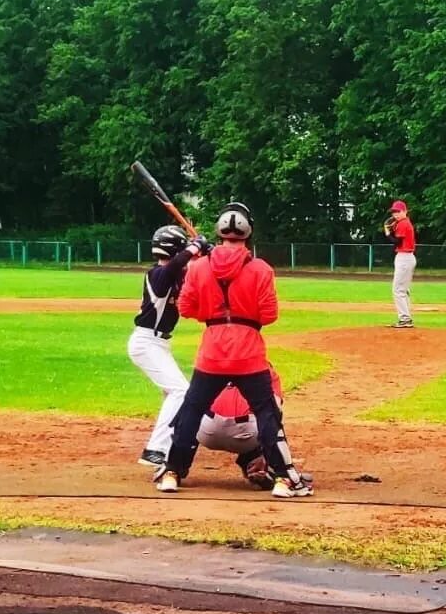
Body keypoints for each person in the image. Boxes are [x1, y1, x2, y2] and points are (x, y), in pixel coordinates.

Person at [159, 201, 312, 499]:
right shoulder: (261, 269)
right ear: (248, 233)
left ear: (218, 232)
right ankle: (283, 478)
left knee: (191, 411)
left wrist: (212, 303)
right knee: (267, 413)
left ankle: (172, 472)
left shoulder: (199, 267)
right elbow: (269, 315)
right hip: (249, 352)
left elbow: (187, 308)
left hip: (213, 350)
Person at [128, 225, 210, 470]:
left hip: (159, 343)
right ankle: (155, 449)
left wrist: (210, 255)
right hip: (146, 343)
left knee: (172, 393)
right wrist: (195, 247)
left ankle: (167, 444)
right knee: (180, 392)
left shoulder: (176, 275)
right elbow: (175, 267)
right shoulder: (157, 274)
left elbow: (194, 274)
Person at [195, 366, 312, 490]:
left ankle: (174, 470)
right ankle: (277, 473)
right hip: (245, 436)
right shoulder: (266, 371)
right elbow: (273, 414)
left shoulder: (213, 366)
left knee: (188, 416)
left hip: (205, 432)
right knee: (269, 420)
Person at [383, 199, 416, 328]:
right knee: (403, 290)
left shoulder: (403, 223)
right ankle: (406, 318)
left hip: (404, 258)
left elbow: (397, 242)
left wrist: (387, 232)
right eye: (393, 212)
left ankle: (404, 319)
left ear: (405, 211)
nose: (395, 214)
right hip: (407, 257)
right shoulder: (403, 223)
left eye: (398, 211)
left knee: (398, 290)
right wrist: (392, 229)